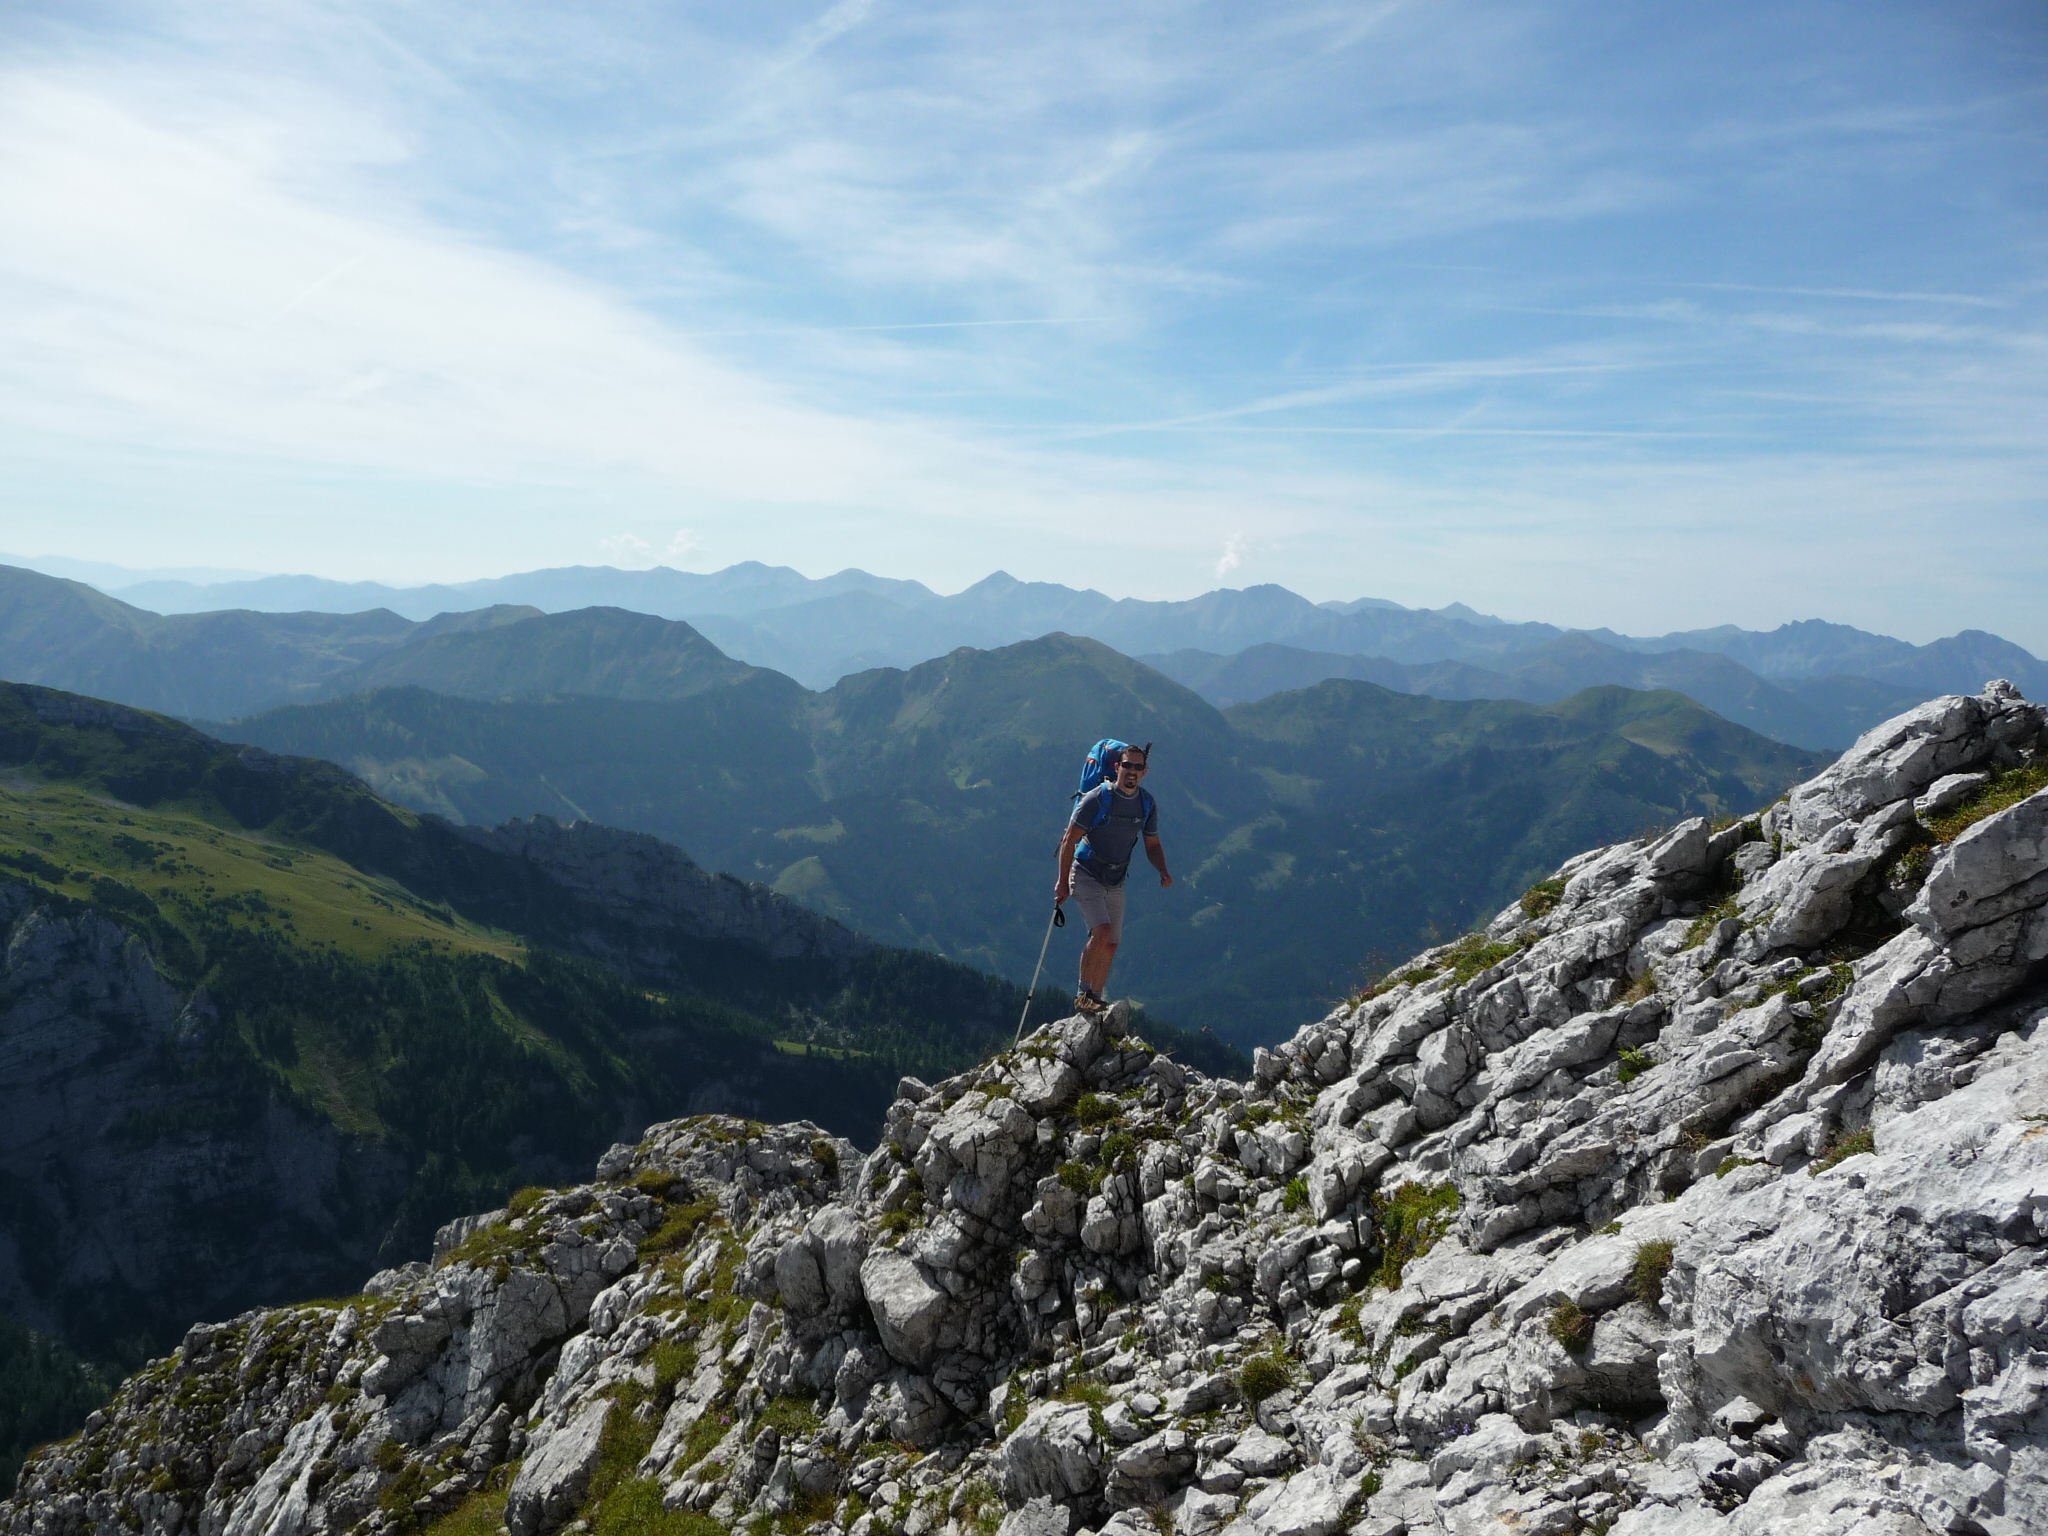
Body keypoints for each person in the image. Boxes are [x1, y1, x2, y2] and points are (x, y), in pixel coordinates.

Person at [1054, 744, 1172, 1014]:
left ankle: (1095, 996)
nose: (1131, 771)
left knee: (1112, 941)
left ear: (1145, 772)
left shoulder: (1146, 804)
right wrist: (1062, 882)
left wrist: (1163, 871)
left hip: (1116, 879)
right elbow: (1069, 840)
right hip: (1085, 872)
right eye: (1127, 765)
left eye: (1137, 767)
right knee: (1102, 931)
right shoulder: (1097, 798)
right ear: (1116, 767)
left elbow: (1152, 844)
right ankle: (1083, 993)